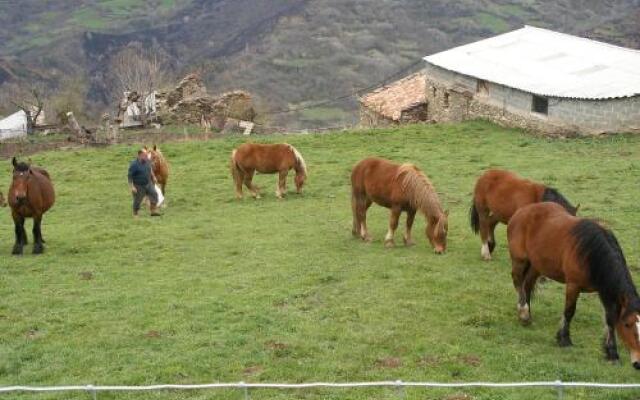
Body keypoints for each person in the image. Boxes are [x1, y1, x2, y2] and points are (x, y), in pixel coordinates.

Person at [128, 149, 161, 217]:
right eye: (145, 155)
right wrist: (132, 187)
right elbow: (130, 176)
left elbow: (150, 169)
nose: (146, 157)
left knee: (154, 195)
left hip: (148, 183)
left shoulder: (147, 161)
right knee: (138, 200)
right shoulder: (134, 164)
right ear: (139, 155)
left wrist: (154, 177)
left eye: (146, 155)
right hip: (138, 185)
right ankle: (135, 213)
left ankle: (153, 211)